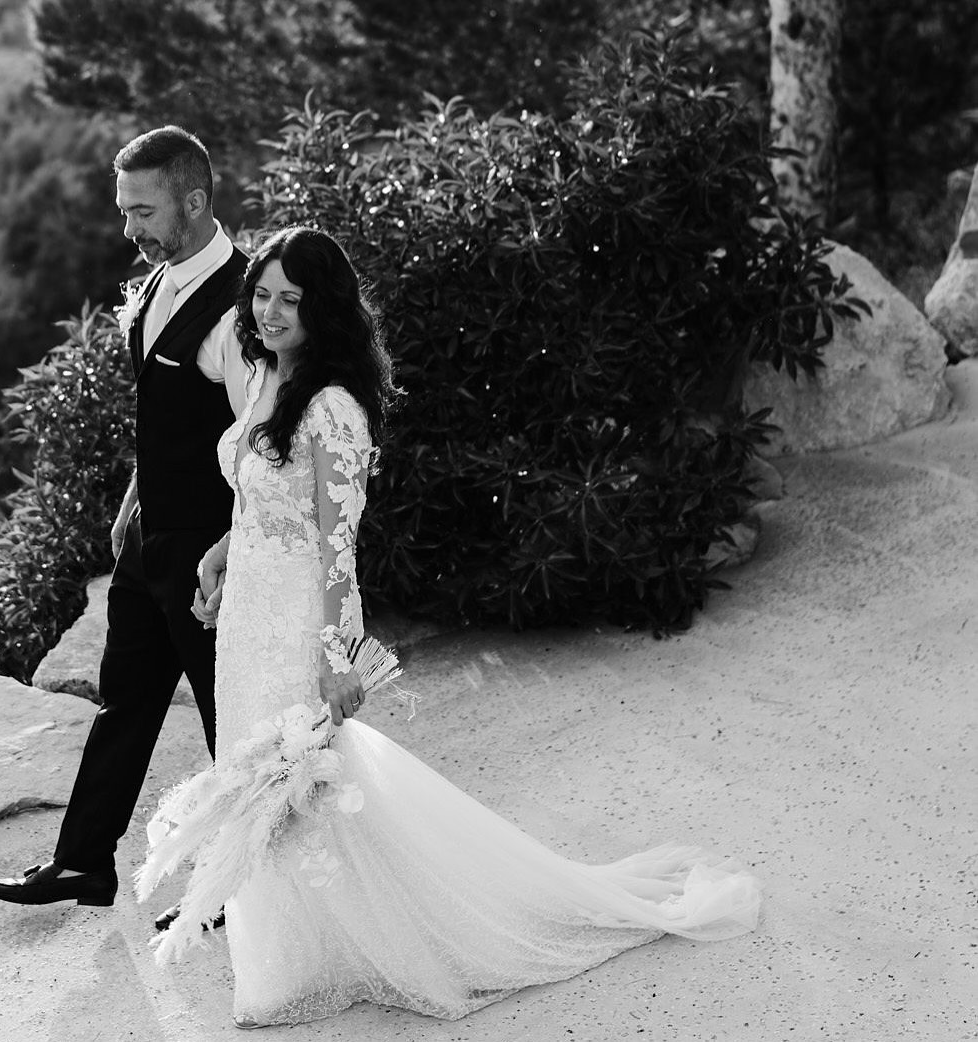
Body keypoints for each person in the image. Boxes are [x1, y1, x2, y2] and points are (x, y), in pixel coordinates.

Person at [172, 225, 761, 1028]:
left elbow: (337, 549)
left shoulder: (335, 409)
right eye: (262, 294)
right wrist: (218, 554)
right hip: (245, 623)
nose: (269, 311)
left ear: (325, 310)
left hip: (295, 629)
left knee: (300, 790)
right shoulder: (269, 380)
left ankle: (345, 958)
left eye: (289, 300)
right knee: (263, 787)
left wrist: (338, 657)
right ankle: (297, 959)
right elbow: (261, 505)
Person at [0, 126, 248, 915]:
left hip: (205, 552)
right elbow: (164, 416)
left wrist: (232, 550)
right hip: (145, 542)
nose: (128, 230)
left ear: (194, 202)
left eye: (142, 211)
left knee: (225, 719)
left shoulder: (238, 308)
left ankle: (241, 884)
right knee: (123, 702)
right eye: (123, 211)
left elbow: (256, 442)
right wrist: (135, 496)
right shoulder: (159, 283)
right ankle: (81, 865)